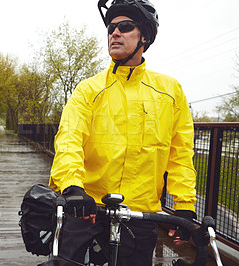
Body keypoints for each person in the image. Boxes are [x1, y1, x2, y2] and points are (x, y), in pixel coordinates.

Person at [48, 0, 197, 265]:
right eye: (111, 27)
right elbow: (69, 137)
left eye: (125, 26)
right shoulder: (88, 90)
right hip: (88, 208)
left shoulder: (171, 91)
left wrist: (184, 206)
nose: (114, 33)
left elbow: (180, 153)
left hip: (141, 214)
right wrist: (71, 186)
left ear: (145, 36)